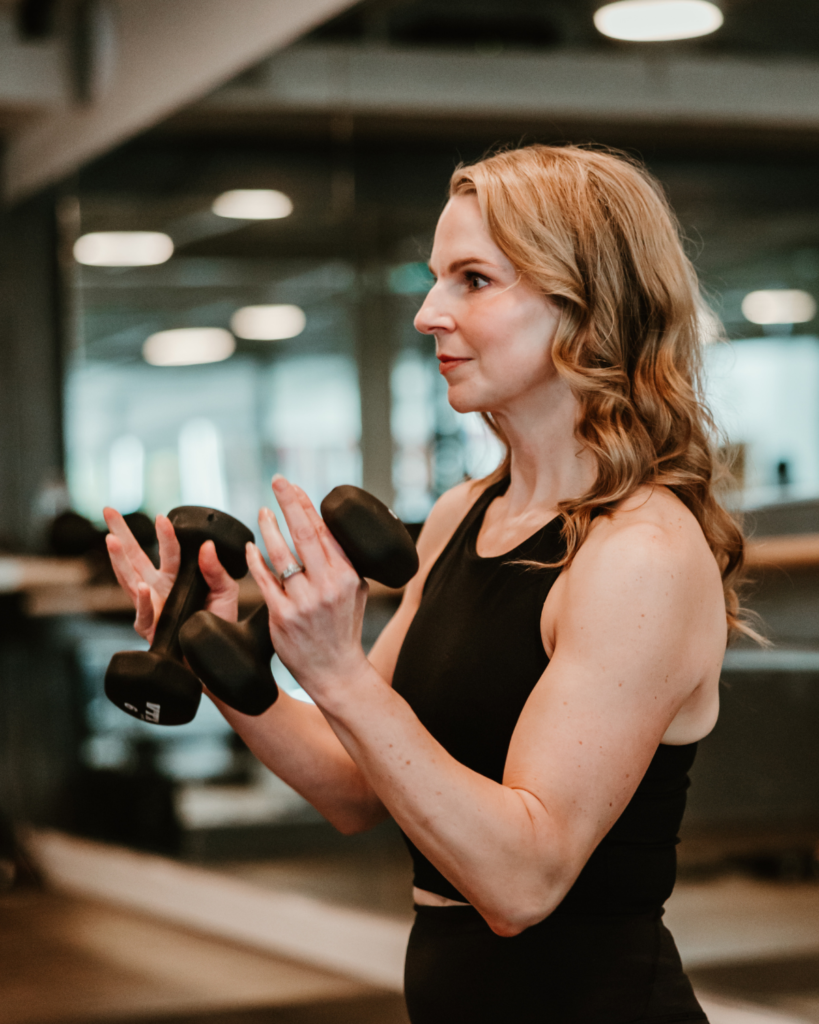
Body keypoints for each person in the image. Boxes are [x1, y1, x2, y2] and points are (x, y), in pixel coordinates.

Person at [105, 144, 751, 1023]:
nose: (426, 313)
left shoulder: (637, 551)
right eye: (434, 276)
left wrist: (335, 671)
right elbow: (353, 786)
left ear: (585, 306)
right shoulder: (464, 515)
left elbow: (522, 881)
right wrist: (210, 647)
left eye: (472, 280)